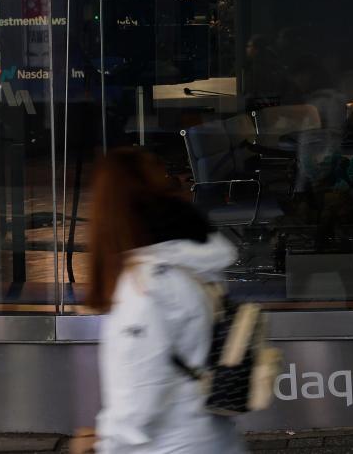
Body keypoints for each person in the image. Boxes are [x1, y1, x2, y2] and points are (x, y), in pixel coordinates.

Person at [86, 149, 244, 454]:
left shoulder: (145, 287)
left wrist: (107, 443)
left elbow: (137, 400)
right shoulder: (193, 264)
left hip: (167, 444)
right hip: (212, 435)